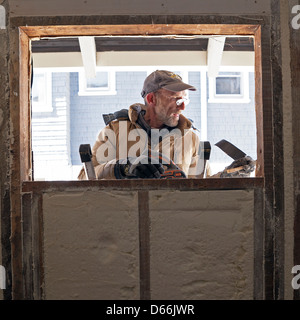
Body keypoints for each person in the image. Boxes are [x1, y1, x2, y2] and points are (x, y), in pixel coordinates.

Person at [78, 70, 255, 180]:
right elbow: (86, 177)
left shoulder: (190, 139)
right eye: (176, 99)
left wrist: (230, 174)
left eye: (185, 99)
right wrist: (124, 167)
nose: (183, 106)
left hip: (172, 224)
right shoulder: (116, 131)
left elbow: (202, 189)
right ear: (151, 98)